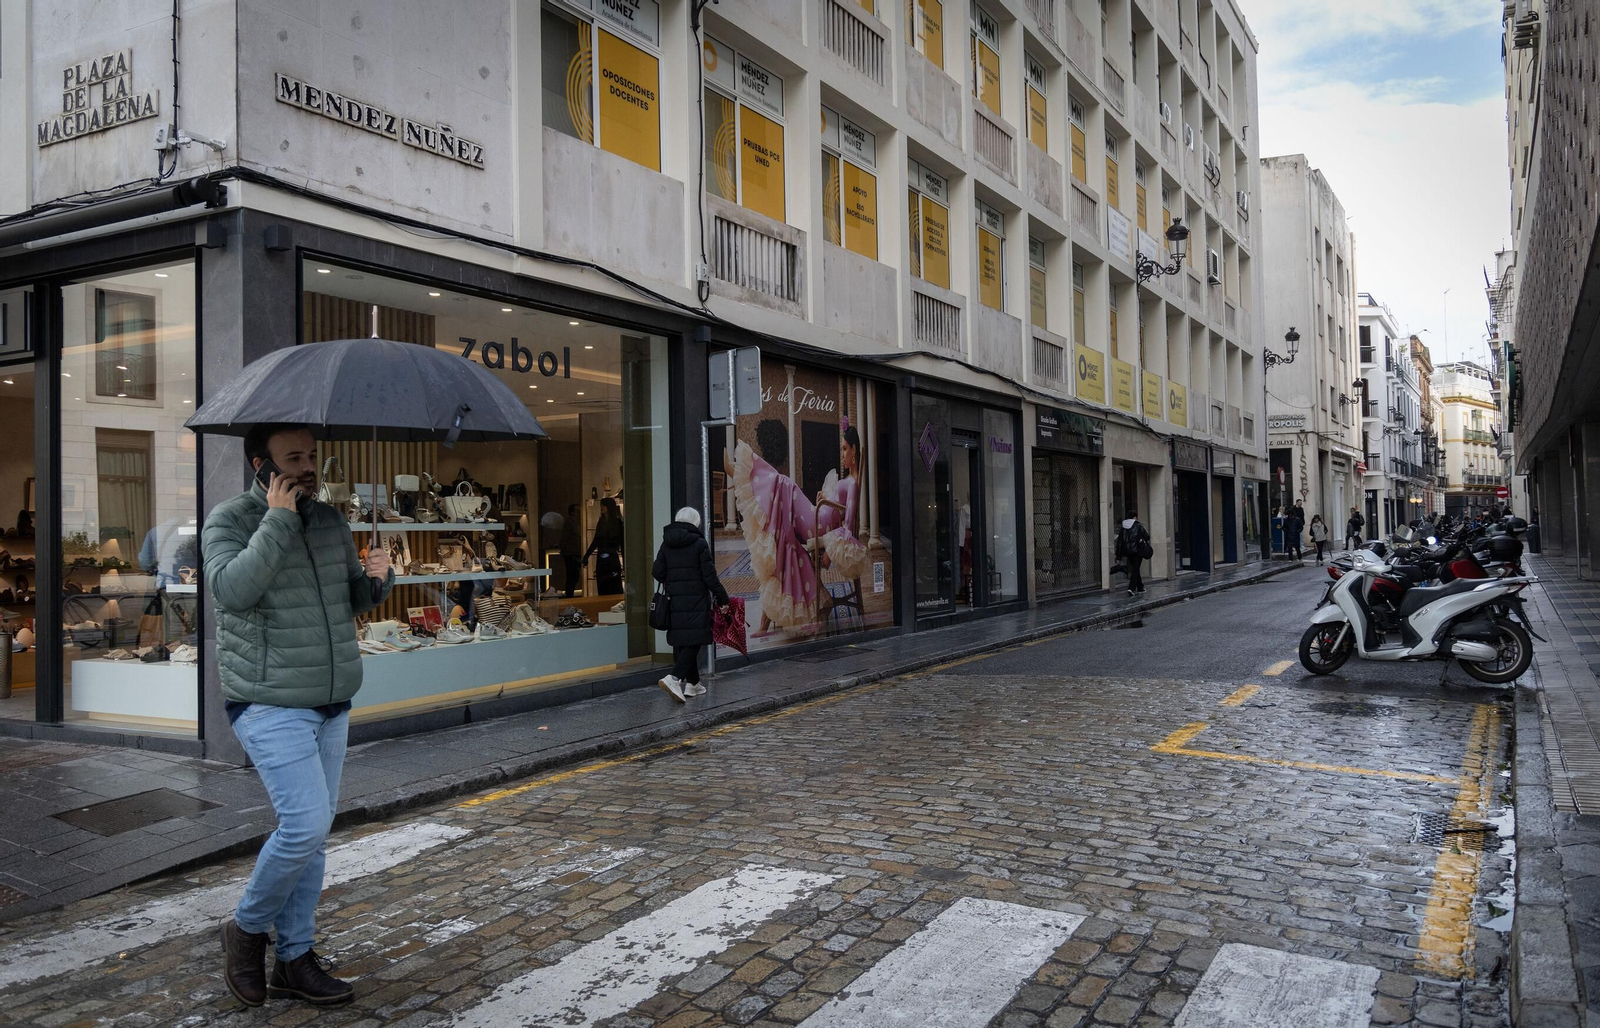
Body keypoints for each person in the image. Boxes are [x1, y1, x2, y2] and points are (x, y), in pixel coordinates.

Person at [206, 424, 393, 1009]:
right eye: (294, 458)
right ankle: (245, 930)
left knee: (312, 840)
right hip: (268, 699)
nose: (308, 466)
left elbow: (351, 600)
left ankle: (294, 957)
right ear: (261, 465)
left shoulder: (330, 521)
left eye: (312, 456)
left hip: (330, 700)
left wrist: (379, 580)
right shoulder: (230, 519)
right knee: (306, 825)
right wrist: (278, 519)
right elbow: (231, 591)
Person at [725, 417, 868, 633]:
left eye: (845, 449)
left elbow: (848, 523)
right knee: (782, 516)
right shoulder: (848, 481)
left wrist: (831, 547)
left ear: (854, 450)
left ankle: (742, 473)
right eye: (841, 449)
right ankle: (742, 474)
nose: (842, 454)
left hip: (817, 523)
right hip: (816, 516)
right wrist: (825, 498)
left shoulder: (853, 484)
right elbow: (839, 510)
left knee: (784, 484)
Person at [653, 507, 730, 703]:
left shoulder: (666, 543)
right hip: (696, 601)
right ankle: (674, 677)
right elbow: (710, 577)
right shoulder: (699, 543)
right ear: (696, 522)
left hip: (674, 601)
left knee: (684, 639)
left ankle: (693, 684)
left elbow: (657, 571)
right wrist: (723, 598)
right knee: (695, 640)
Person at [583, 497, 625, 595]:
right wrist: (587, 556)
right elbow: (596, 541)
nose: (601, 507)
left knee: (613, 586)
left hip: (610, 558)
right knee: (603, 586)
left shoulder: (617, 523)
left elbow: (622, 544)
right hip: (605, 558)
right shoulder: (602, 523)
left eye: (603, 505)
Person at [1114, 508, 1151, 596]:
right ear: (1135, 517)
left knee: (1135, 568)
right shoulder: (1138, 525)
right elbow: (1147, 537)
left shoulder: (1123, 527)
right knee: (1135, 569)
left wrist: (1118, 556)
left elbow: (1119, 543)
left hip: (1128, 552)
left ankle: (1140, 587)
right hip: (1138, 551)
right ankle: (1131, 588)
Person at [560, 503, 582, 597]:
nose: (579, 513)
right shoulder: (569, 522)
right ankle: (569, 595)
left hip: (574, 552)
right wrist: (563, 549)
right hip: (570, 553)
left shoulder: (576, 522)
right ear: (572, 512)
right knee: (572, 576)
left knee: (574, 576)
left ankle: (570, 594)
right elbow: (564, 537)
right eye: (577, 511)